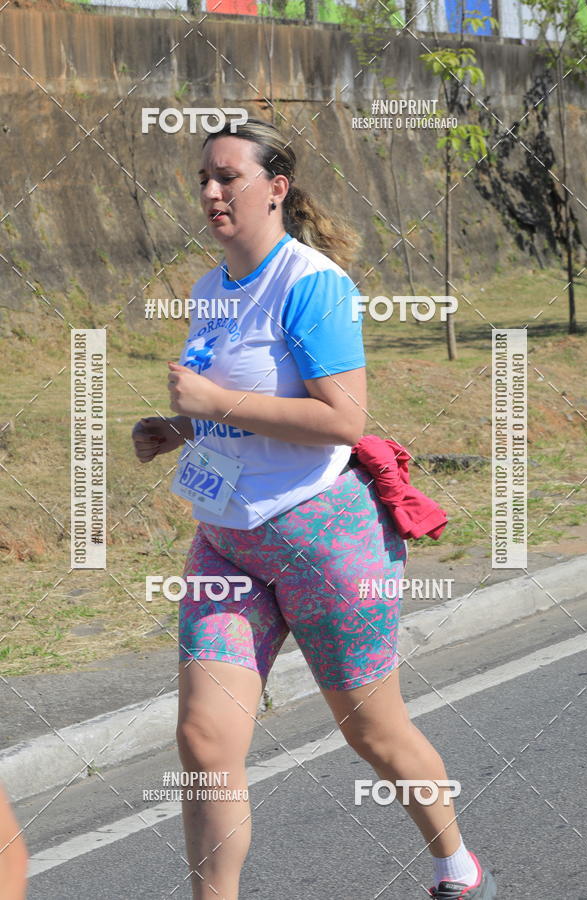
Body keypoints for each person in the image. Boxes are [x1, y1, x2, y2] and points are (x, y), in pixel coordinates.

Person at [131, 117, 496, 900]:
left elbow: (342, 419)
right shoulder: (207, 290)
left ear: (276, 188)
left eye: (228, 176)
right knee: (203, 741)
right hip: (228, 541)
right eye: (203, 177)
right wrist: (181, 427)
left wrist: (215, 399)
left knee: (372, 730)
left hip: (324, 537)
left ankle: (455, 867)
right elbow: (233, 407)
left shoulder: (311, 284)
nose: (210, 191)